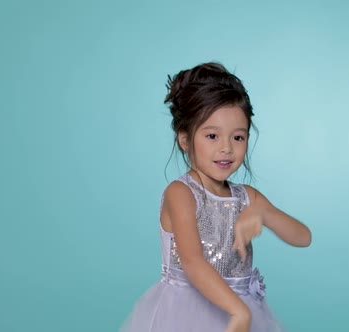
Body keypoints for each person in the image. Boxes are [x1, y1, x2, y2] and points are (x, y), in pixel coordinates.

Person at [119, 62, 312, 332]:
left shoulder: (246, 197)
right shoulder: (182, 193)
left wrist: (265, 214)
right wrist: (238, 310)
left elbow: (303, 237)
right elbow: (192, 262)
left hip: (240, 314)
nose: (226, 148)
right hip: (187, 313)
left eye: (238, 137)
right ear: (185, 140)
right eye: (212, 135)